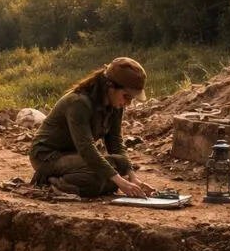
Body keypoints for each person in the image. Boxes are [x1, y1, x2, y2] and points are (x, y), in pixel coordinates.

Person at [29, 57, 155, 198]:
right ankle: (51, 180)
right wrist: (121, 182)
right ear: (110, 86)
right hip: (48, 156)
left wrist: (132, 177)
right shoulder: (79, 103)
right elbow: (86, 147)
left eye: (132, 98)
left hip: (75, 155)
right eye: (126, 96)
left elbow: (115, 143)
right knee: (100, 178)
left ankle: (83, 180)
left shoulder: (115, 105)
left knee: (118, 165)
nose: (128, 103)